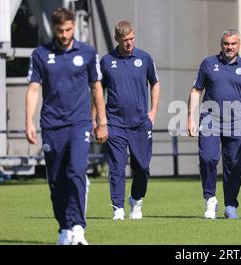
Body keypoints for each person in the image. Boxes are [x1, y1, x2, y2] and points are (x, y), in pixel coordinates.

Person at [25, 8, 108, 245]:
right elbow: (33, 89)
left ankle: (79, 228)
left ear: (74, 27)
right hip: (51, 125)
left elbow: (97, 88)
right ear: (53, 28)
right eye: (60, 30)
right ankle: (64, 228)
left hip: (79, 123)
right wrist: (28, 121)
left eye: (69, 30)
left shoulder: (88, 52)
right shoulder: (40, 54)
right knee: (56, 179)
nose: (64, 34)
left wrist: (101, 121)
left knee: (76, 171)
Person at [187, 29, 241, 219]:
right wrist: (190, 118)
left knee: (234, 166)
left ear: (239, 45)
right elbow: (196, 91)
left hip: (236, 123)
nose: (229, 47)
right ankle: (210, 200)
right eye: (226, 44)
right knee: (208, 158)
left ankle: (230, 205)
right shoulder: (208, 64)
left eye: (233, 44)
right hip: (210, 120)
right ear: (221, 45)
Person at [99, 20, 160, 220]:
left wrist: (153, 112)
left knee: (142, 167)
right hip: (114, 123)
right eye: (125, 40)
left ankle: (136, 200)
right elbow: (98, 92)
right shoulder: (107, 61)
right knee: (116, 167)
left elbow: (155, 84)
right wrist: (99, 121)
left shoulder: (145, 58)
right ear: (117, 39)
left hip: (140, 123)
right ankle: (118, 208)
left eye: (132, 39)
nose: (129, 43)